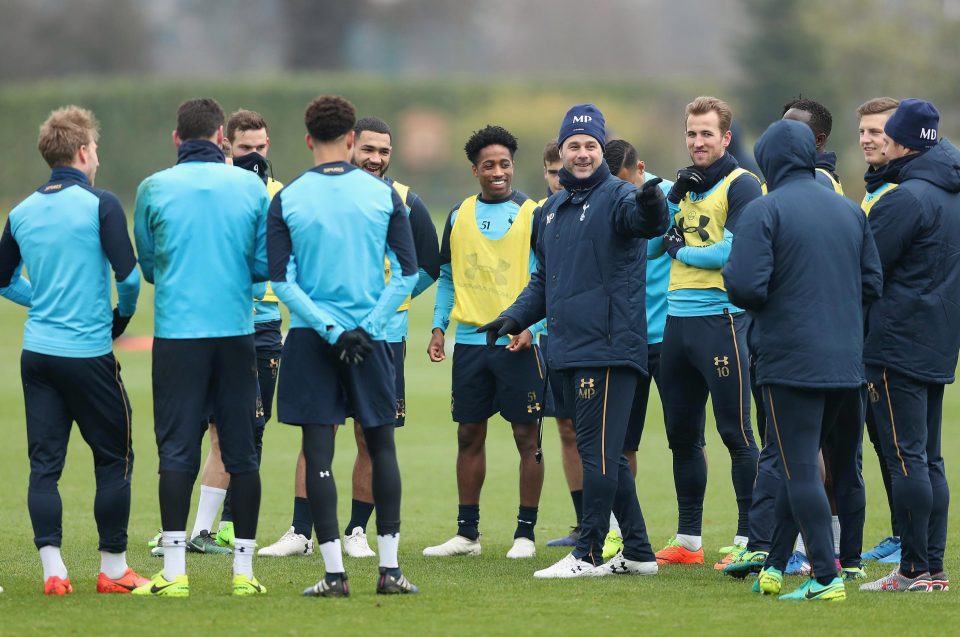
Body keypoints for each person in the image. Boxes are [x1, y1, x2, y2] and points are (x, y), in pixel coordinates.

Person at [481, 103, 669, 578]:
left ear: (602, 149)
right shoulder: (551, 211)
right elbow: (546, 280)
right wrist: (514, 317)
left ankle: (587, 552)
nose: (582, 154)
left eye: (590, 146)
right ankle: (640, 552)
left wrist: (651, 199)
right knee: (606, 455)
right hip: (566, 349)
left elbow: (647, 221)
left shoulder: (620, 197)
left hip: (609, 349)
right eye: (573, 146)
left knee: (599, 454)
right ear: (561, 151)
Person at [258, 116, 440, 559]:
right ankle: (303, 532)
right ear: (351, 144)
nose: (376, 159)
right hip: (335, 336)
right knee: (319, 436)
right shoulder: (310, 196)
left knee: (368, 437)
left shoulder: (402, 200)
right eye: (369, 150)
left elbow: (425, 268)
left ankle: (356, 531)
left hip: (378, 338)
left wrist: (379, 318)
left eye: (384, 152)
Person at [723, 118, 881, 602]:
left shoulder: (762, 210)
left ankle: (826, 577)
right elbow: (872, 284)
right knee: (808, 464)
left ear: (768, 160)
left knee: (798, 467)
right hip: (846, 362)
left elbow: (746, 285)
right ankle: (774, 564)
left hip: (789, 359)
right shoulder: (849, 211)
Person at [0, 106, 147, 596]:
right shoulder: (101, 204)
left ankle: (53, 571)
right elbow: (128, 278)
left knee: (45, 466)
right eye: (96, 151)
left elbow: (3, 279)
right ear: (83, 151)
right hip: (87, 353)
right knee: (114, 459)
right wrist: (119, 320)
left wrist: (39, 299)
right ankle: (113, 569)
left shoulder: (20, 211)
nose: (99, 160)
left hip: (37, 355)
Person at [132, 97, 270, 597]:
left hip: (177, 337)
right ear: (221, 137)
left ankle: (173, 573)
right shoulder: (251, 186)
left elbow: (148, 266)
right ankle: (244, 574)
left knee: (176, 450)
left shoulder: (153, 187)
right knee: (241, 452)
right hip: (235, 335)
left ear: (176, 139)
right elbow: (262, 266)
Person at [154, 109, 285, 557]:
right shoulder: (216, 189)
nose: (253, 155)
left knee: (240, 432)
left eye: (260, 148)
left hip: (260, 324)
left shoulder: (275, 194)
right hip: (215, 322)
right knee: (193, 429)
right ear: (224, 144)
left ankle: (207, 529)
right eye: (244, 147)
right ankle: (186, 531)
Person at [423, 125, 545, 560]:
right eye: (489, 165)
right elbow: (448, 276)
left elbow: (549, 280)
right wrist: (440, 327)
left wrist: (534, 329)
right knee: (468, 434)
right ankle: (467, 536)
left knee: (526, 437)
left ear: (513, 166)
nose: (498, 172)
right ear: (475, 170)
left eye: (505, 164)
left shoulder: (535, 213)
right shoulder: (458, 214)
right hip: (472, 344)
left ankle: (525, 536)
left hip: (519, 342)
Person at [654, 96, 762, 566]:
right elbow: (650, 244)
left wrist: (679, 251)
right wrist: (671, 198)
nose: (698, 142)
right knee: (681, 436)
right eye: (692, 134)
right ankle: (689, 541)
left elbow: (725, 256)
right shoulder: (682, 187)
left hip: (722, 320)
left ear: (725, 138)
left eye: (706, 134)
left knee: (736, 433)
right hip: (676, 322)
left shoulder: (744, 186)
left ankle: (747, 539)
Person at [860, 99, 960, 594]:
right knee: (929, 458)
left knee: (905, 459)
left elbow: (867, 268)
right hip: (939, 339)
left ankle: (914, 570)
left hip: (895, 344)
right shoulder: (951, 191)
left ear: (901, 142)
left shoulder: (905, 198)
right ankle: (934, 569)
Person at [598, 139, 675, 560]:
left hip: (666, 337)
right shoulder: (608, 200)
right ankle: (618, 530)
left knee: (685, 438)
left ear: (639, 168)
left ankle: (690, 537)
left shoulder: (668, 199)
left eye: (623, 181)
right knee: (622, 443)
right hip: (626, 340)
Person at [855, 97, 903, 564]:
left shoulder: (899, 193)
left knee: (899, 445)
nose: (868, 139)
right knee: (882, 441)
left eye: (878, 131)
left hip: (892, 338)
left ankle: (910, 540)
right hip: (870, 337)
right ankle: (900, 532)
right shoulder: (875, 188)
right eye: (864, 131)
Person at [539, 139, 585, 549]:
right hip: (551, 338)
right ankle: (583, 520)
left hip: (591, 340)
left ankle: (612, 524)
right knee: (567, 428)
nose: (559, 178)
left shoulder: (599, 207)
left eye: (562, 170)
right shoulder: (544, 215)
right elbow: (540, 280)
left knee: (603, 435)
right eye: (553, 172)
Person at [781, 98, 843, 193]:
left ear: (818, 140)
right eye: (781, 128)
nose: (781, 135)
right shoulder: (792, 174)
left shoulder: (815, 181)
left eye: (793, 130)